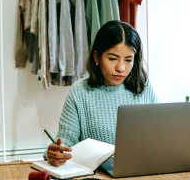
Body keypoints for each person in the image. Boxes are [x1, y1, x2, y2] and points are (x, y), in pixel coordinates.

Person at [46, 20, 158, 167]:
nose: (121, 68)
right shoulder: (79, 92)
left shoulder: (143, 87)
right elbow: (65, 142)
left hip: (142, 169)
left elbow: (160, 135)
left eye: (129, 60)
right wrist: (56, 153)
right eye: (112, 59)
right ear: (97, 57)